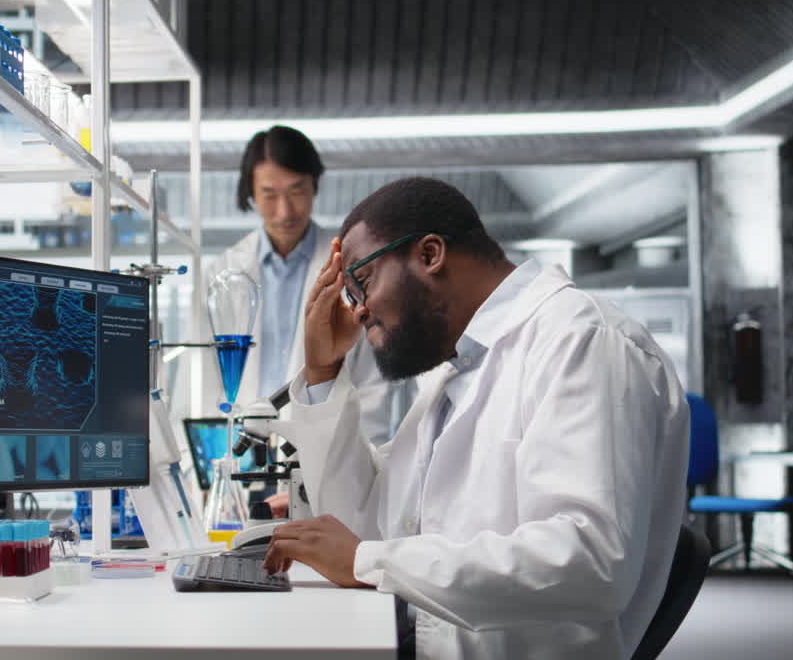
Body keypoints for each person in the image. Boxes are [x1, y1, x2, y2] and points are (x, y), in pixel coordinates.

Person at [261, 177, 690, 659]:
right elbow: (370, 523)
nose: (358, 312)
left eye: (362, 282)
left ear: (429, 254)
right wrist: (322, 370)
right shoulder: (458, 370)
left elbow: (589, 561)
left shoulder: (583, 342)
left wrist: (369, 561)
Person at [176, 125, 407, 445]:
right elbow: (197, 379)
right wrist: (202, 458)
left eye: (296, 191)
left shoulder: (354, 270)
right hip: (240, 451)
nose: (284, 211)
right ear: (251, 193)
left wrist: (361, 460)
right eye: (270, 195)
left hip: (326, 449)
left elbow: (372, 384)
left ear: (314, 185)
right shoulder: (222, 274)